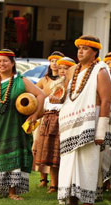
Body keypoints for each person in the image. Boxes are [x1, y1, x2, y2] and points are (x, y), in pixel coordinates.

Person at [0, 49, 45, 200]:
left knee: (15, 156)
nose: (2, 64)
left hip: (14, 126)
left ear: (13, 63)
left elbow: (40, 94)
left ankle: (12, 192)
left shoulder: (21, 80)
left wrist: (34, 115)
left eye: (5, 61)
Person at [57, 35, 111, 205]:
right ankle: (71, 196)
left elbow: (106, 101)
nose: (80, 51)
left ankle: (88, 200)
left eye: (85, 48)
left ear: (95, 51)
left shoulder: (101, 71)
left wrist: (101, 130)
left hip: (91, 120)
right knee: (70, 159)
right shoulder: (73, 70)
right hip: (71, 123)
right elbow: (69, 96)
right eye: (79, 48)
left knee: (87, 159)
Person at [33, 56, 76, 193]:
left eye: (66, 68)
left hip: (62, 120)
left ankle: (63, 184)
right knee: (51, 155)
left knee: (61, 155)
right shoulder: (53, 84)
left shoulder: (74, 85)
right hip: (48, 119)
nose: (62, 71)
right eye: (61, 68)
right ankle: (52, 185)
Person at [34, 51, 64, 188]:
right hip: (44, 116)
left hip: (58, 117)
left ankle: (55, 182)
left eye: (57, 61)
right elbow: (34, 93)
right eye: (52, 60)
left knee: (54, 149)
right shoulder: (44, 80)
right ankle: (43, 179)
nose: (55, 63)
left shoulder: (66, 80)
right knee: (38, 145)